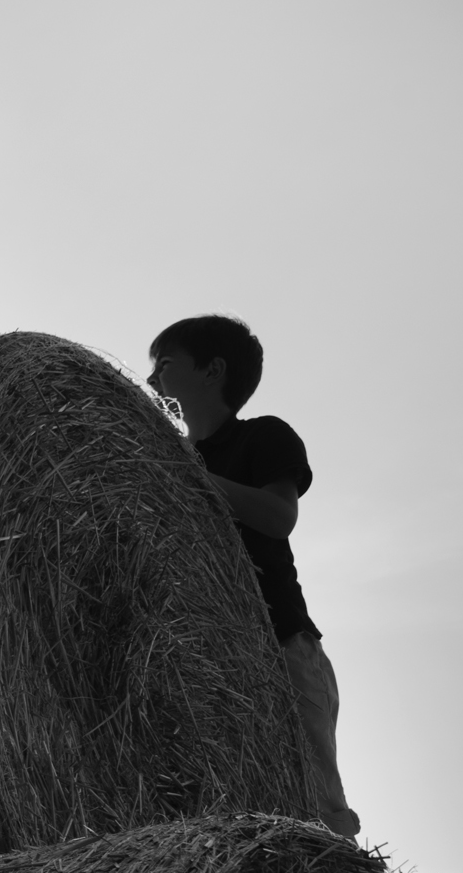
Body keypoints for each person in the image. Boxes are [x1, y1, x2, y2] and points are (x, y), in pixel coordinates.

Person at [148, 314, 360, 837]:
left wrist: (188, 475)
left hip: (283, 645)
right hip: (212, 662)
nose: (151, 380)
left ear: (213, 370)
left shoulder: (263, 435)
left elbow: (278, 515)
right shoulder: (159, 463)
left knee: (314, 810)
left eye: (165, 365)